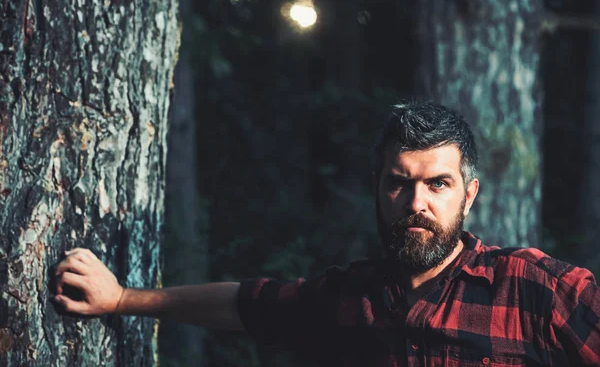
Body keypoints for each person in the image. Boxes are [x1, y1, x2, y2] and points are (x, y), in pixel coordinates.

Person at [54, 102, 600, 366]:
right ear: (377, 188)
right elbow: (250, 305)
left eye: (438, 184)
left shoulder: (536, 289)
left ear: (469, 195)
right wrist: (123, 298)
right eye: (399, 183)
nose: (417, 203)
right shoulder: (352, 298)